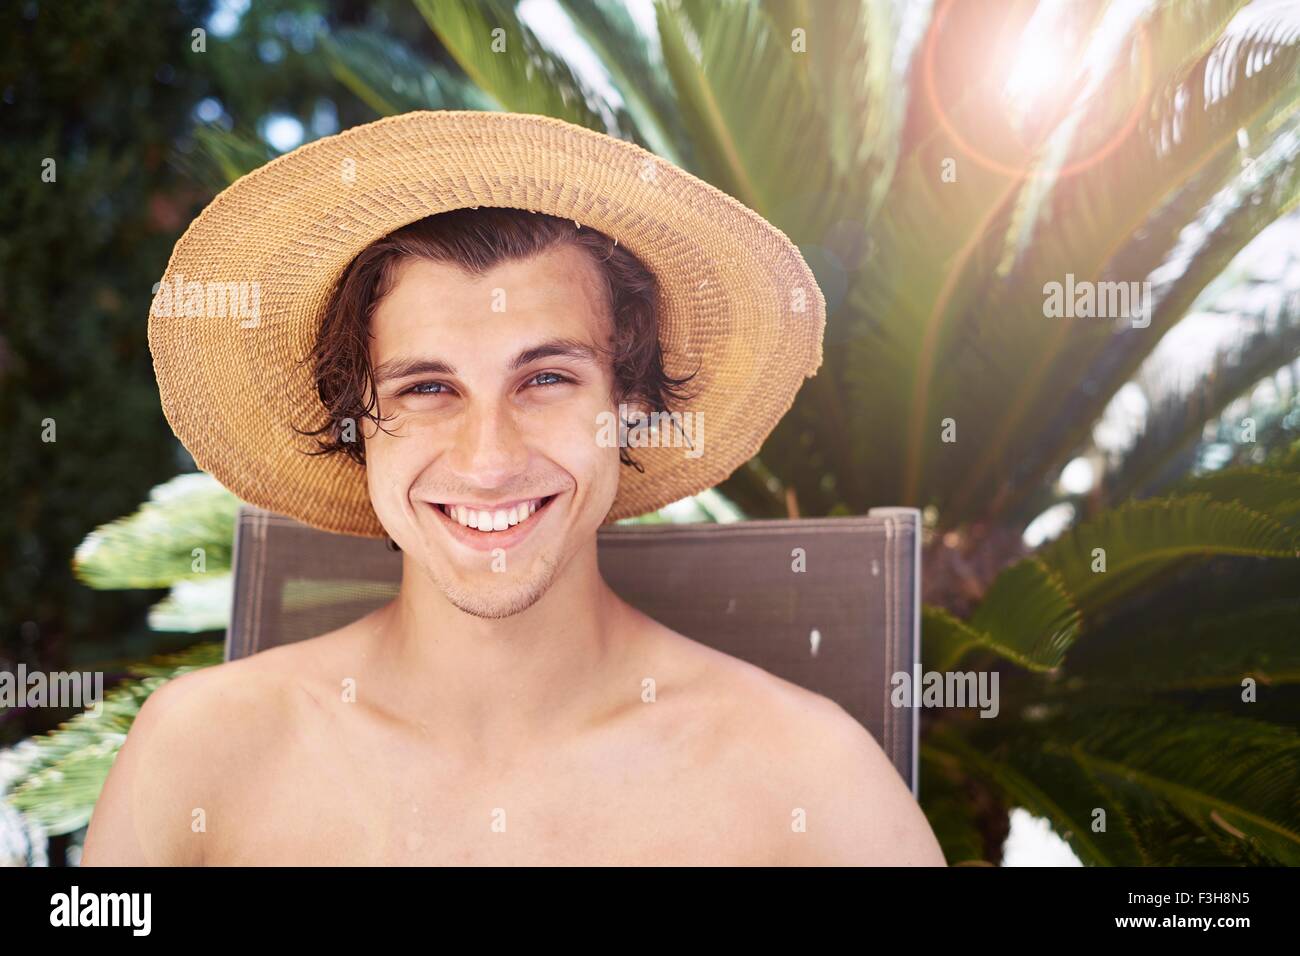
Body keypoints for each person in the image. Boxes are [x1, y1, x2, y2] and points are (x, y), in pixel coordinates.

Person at [82, 111, 945, 866]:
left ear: (632, 407)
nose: (488, 459)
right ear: (356, 428)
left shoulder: (808, 781)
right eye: (426, 389)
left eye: (545, 379)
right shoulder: (198, 754)